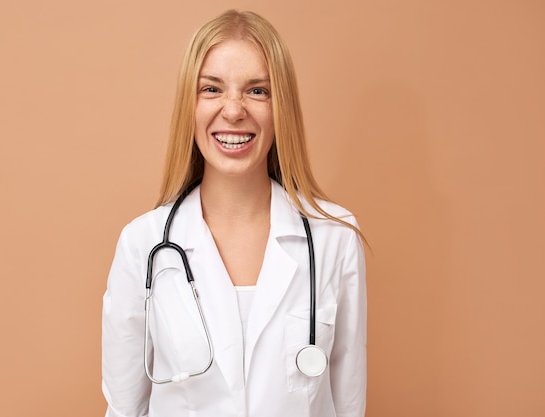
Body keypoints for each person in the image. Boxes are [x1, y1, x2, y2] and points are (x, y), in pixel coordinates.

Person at [102, 9, 367, 417]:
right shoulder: (143, 244)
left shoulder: (335, 239)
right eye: (211, 89)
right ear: (188, 106)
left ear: (283, 109)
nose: (233, 110)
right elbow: (123, 409)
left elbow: (349, 405)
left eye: (257, 91)